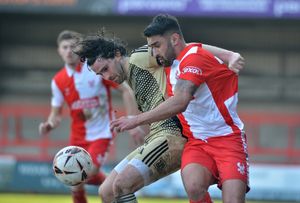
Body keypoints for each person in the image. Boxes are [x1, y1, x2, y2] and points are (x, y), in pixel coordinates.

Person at [74, 30, 245, 203]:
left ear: (117, 55)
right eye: (100, 74)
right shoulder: (131, 76)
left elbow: (186, 48)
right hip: (157, 137)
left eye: (105, 69)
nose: (107, 76)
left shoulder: (138, 58)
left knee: (122, 184)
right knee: (107, 191)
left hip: (172, 135)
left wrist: (229, 55)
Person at [38, 30, 137, 203]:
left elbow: (126, 90)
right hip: (78, 136)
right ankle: (111, 183)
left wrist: (133, 121)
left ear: (80, 50)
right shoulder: (58, 81)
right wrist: (49, 124)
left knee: (82, 174)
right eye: (65, 47)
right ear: (59, 50)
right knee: (74, 181)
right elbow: (56, 115)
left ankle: (112, 185)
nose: (69, 51)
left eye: (72, 47)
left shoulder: (95, 70)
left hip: (102, 133)